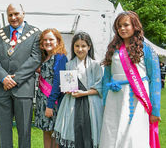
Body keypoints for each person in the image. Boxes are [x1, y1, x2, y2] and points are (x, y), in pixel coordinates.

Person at [100, 11, 161, 148]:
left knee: (134, 135)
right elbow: (107, 77)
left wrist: (155, 110)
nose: (122, 29)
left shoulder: (146, 49)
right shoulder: (113, 49)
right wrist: (104, 100)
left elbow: (155, 79)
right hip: (114, 99)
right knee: (112, 133)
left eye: (126, 25)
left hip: (137, 98)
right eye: (119, 26)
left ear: (135, 26)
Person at [0, 3, 41, 148]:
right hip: (1, 88)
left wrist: (15, 79)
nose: (13, 17)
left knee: (24, 131)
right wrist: (4, 77)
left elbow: (35, 59)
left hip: (24, 88)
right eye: (10, 14)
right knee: (3, 131)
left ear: (23, 13)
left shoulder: (36, 33)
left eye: (16, 14)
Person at [53, 31, 103, 148]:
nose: (80, 49)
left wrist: (84, 93)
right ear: (73, 47)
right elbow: (67, 83)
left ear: (89, 47)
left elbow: (100, 87)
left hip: (90, 104)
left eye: (83, 46)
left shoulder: (96, 65)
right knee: (73, 130)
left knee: (88, 132)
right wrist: (66, 89)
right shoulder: (69, 64)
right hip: (71, 103)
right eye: (77, 46)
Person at [34, 28, 68, 148]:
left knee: (54, 133)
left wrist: (50, 105)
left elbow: (58, 81)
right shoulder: (45, 58)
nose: (48, 42)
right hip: (42, 100)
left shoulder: (60, 57)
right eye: (45, 40)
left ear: (58, 41)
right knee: (46, 131)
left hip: (53, 102)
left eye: (51, 39)